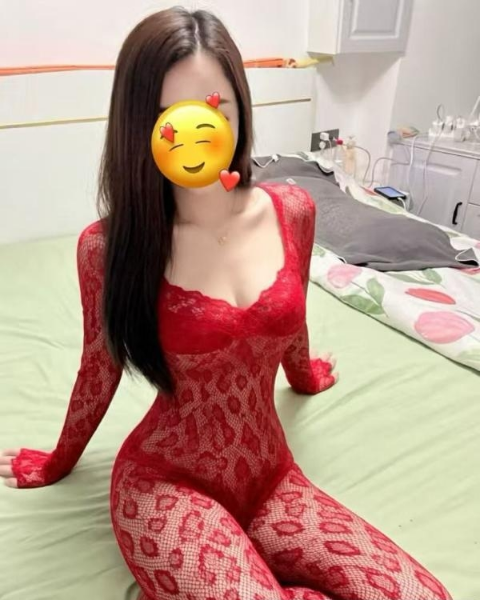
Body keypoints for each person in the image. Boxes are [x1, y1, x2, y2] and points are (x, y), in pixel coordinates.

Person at [0, 7, 452, 600]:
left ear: (240, 109)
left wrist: (306, 375)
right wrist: (58, 460)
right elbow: (98, 366)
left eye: (215, 108)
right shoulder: (109, 250)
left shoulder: (293, 211)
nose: (195, 132)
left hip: (271, 477)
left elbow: (290, 320)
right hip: (166, 485)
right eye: (168, 115)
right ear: (140, 126)